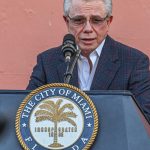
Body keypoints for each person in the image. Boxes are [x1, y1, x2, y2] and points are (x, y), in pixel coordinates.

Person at [26, 0, 150, 120]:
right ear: (67, 21)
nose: (88, 29)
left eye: (96, 20)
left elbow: (144, 118)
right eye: (79, 20)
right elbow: (28, 111)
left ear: (108, 22)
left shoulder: (134, 62)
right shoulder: (47, 61)